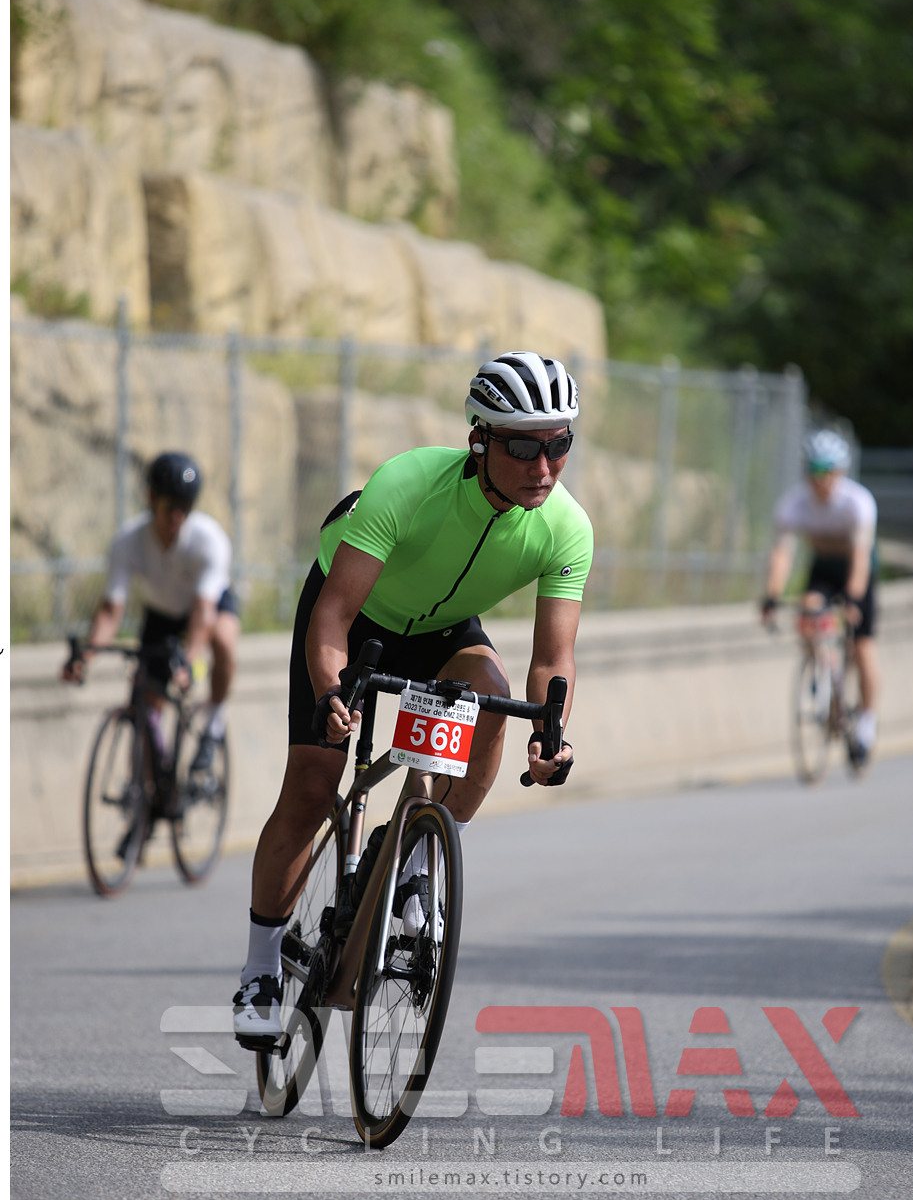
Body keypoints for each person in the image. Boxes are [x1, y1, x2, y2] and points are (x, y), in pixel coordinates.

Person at [235, 351, 589, 1045]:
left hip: (441, 632)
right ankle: (259, 967)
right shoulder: (409, 482)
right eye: (524, 448)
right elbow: (333, 616)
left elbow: (553, 659)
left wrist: (550, 736)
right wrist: (332, 693)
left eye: (559, 445)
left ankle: (418, 862)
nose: (544, 467)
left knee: (491, 697)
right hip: (354, 621)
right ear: (479, 440)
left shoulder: (566, 528)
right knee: (312, 786)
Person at [62, 452, 239, 779]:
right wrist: (86, 656)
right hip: (162, 613)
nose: (177, 515)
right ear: (151, 499)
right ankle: (149, 793)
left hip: (206, 606)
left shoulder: (209, 540)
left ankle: (214, 723)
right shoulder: (128, 541)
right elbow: (111, 610)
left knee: (225, 638)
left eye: (185, 506)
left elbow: (204, 612)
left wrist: (189, 660)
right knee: (145, 705)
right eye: (169, 504)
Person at [761, 429, 881, 763]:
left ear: (840, 472)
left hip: (857, 571)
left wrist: (853, 599)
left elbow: (860, 559)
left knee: (863, 646)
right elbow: (782, 553)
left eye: (827, 472)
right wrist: (771, 595)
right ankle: (823, 665)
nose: (820, 480)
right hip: (824, 569)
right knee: (808, 608)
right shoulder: (794, 503)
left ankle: (866, 723)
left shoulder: (856, 503)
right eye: (814, 471)